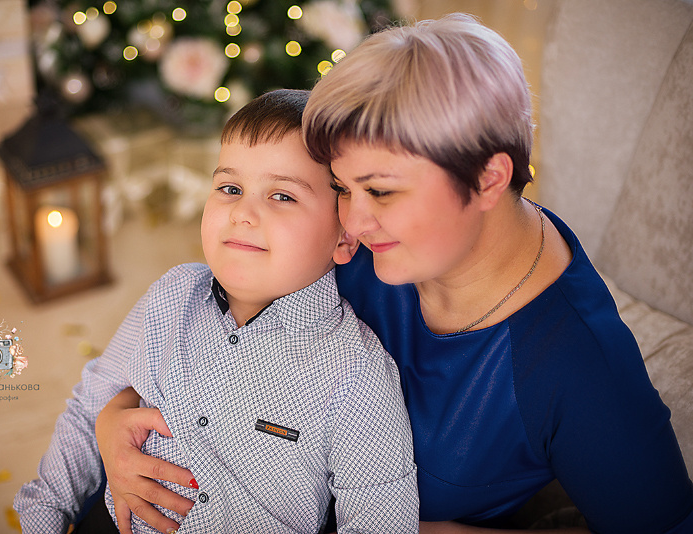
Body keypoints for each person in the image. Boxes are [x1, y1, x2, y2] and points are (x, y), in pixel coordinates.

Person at [94, 14, 693, 534]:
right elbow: (200, 326)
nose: (350, 221)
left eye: (380, 191)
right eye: (341, 188)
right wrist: (112, 416)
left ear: (489, 178)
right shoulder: (360, 240)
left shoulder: (577, 368)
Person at [13, 89, 418, 534]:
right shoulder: (173, 295)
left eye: (282, 196)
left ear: (344, 238)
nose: (243, 211)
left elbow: (381, 518)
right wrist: (43, 519)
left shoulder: (356, 373)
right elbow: (91, 406)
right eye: (230, 188)